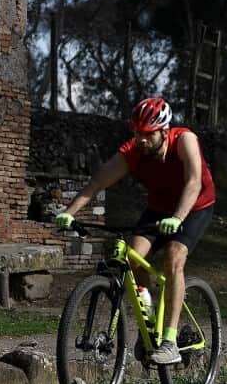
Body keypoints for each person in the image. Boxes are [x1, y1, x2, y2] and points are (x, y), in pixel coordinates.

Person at [54, 97, 216, 365]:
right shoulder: (133, 152)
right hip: (158, 209)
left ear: (164, 131)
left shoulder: (184, 140)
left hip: (196, 205)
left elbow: (193, 182)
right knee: (132, 256)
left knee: (173, 257)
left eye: (148, 134)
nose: (141, 139)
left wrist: (178, 218)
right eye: (137, 133)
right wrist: (68, 213)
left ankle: (170, 341)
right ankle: (149, 321)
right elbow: (97, 183)